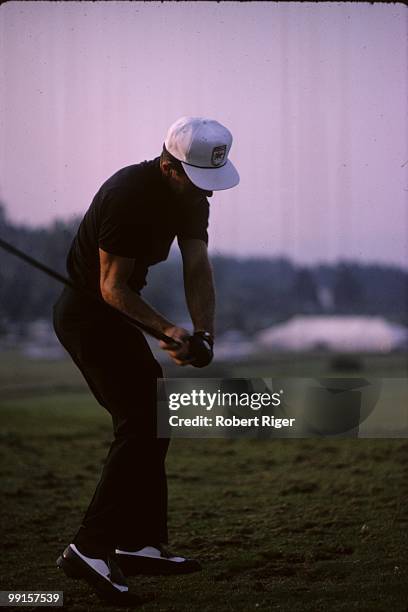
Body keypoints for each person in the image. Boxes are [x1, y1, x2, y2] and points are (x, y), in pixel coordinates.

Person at [53, 116, 240, 604]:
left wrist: (203, 335)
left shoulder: (191, 198)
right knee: (139, 420)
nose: (209, 194)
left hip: (116, 314)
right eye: (199, 182)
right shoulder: (126, 195)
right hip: (87, 317)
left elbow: (197, 266)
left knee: (154, 416)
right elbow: (110, 287)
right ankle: (89, 548)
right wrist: (167, 329)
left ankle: (138, 544)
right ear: (168, 165)